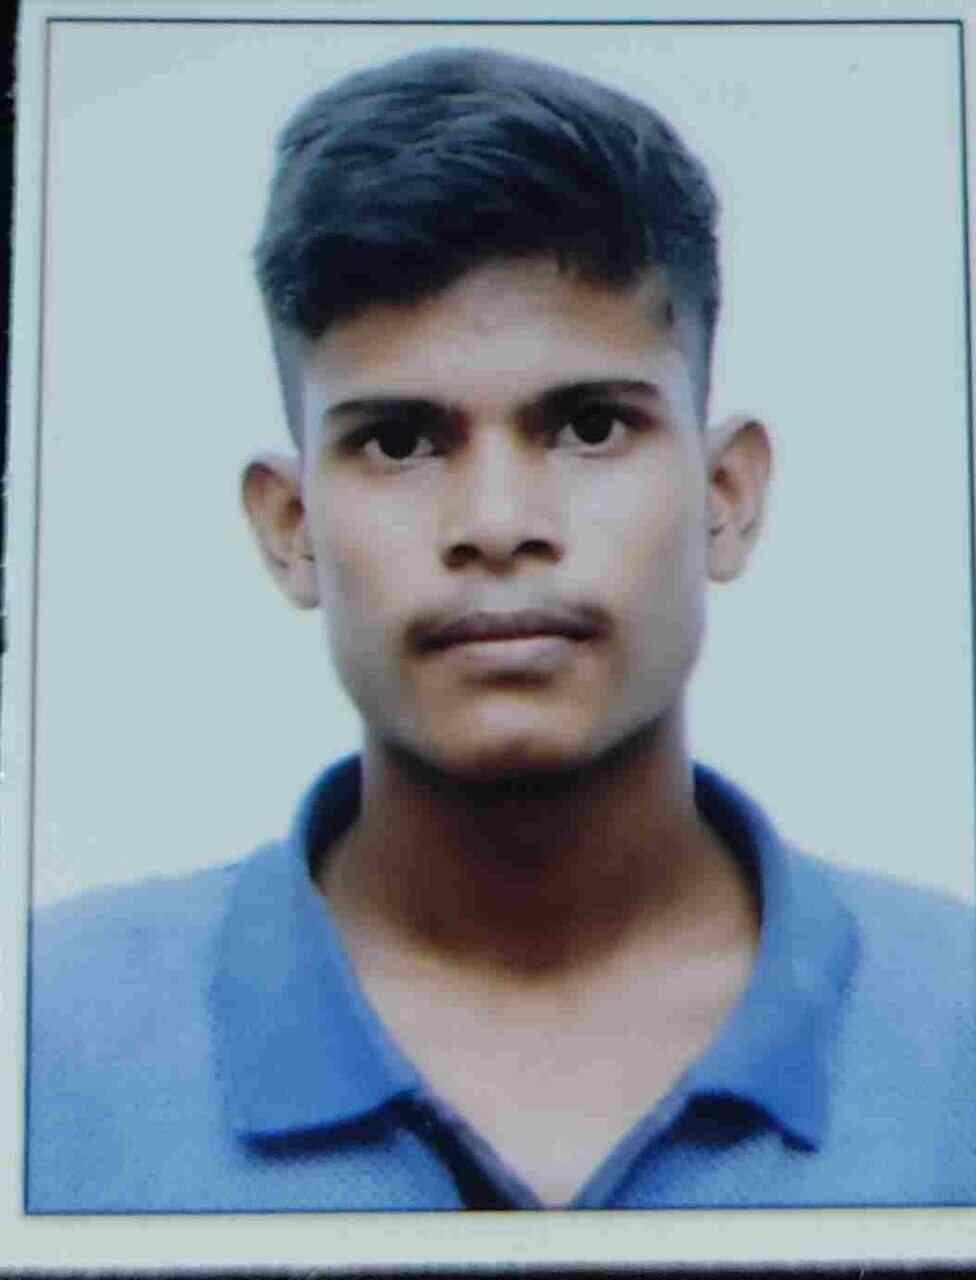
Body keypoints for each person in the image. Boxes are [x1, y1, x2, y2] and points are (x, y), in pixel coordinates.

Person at [28, 46, 975, 1213]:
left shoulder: (957, 1040)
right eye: (397, 440)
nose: (496, 524)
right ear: (291, 528)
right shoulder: (42, 1051)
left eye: (589, 425)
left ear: (726, 497)